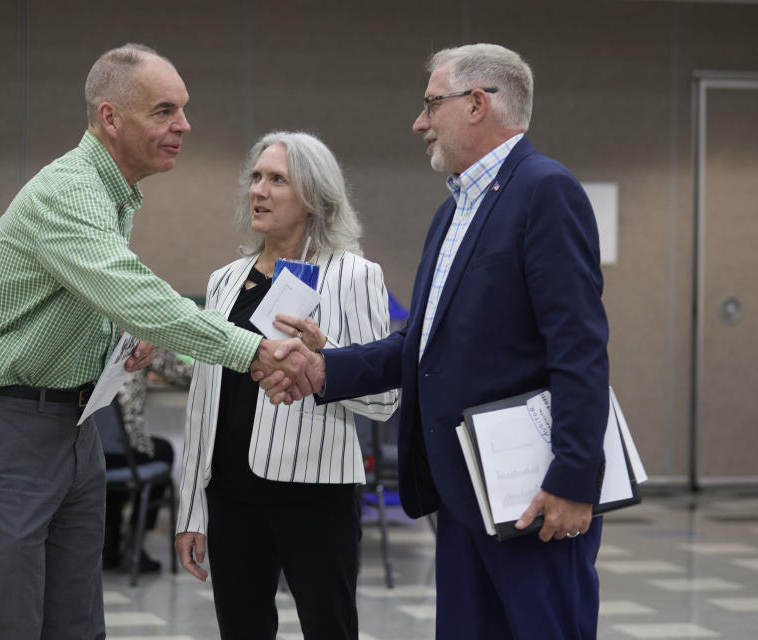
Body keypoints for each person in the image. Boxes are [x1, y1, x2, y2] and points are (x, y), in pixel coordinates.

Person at [0, 44, 314, 640]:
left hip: (71, 426)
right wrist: (252, 349)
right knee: (10, 624)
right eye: (164, 111)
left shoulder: (113, 194)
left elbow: (93, 295)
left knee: (77, 623)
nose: (184, 126)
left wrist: (114, 337)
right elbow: (132, 290)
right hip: (6, 429)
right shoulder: (71, 192)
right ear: (111, 118)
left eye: (183, 110)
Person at [258, 44, 610, 639]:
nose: (419, 123)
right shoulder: (452, 215)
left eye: (430, 105)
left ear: (477, 104)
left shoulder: (544, 191)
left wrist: (575, 479)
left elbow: (579, 347)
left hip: (532, 496)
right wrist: (324, 370)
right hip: (463, 492)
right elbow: (421, 348)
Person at [175, 131, 399, 640]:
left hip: (315, 497)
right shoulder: (224, 281)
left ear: (315, 198)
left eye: (277, 180)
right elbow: (202, 402)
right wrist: (191, 510)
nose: (259, 190)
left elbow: (387, 400)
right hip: (231, 497)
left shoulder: (355, 276)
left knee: (330, 630)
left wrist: (327, 359)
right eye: (255, 177)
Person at [102, 347, 193, 572]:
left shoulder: (92, 338)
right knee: (163, 452)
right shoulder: (139, 340)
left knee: (109, 471)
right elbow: (186, 375)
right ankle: (134, 545)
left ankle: (109, 545)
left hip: (89, 446)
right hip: (126, 450)